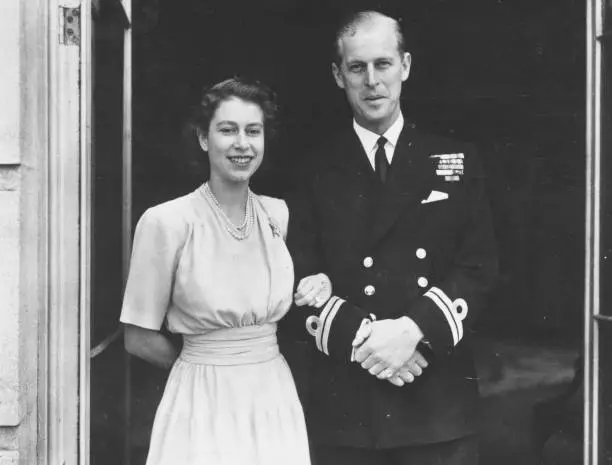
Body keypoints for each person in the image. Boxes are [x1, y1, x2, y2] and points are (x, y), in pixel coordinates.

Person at [284, 10, 498, 465]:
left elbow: (479, 266)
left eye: (383, 64)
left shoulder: (456, 159)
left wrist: (413, 330)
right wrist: (368, 339)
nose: (372, 81)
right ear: (338, 76)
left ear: (405, 66)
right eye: (357, 68)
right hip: (346, 406)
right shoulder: (312, 169)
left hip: (436, 401)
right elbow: (296, 271)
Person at [120, 77, 312, 465]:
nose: (242, 143)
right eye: (227, 130)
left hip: (272, 395)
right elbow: (138, 338)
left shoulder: (278, 215)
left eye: (253, 131)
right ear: (203, 138)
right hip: (201, 399)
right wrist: (203, 365)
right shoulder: (167, 222)